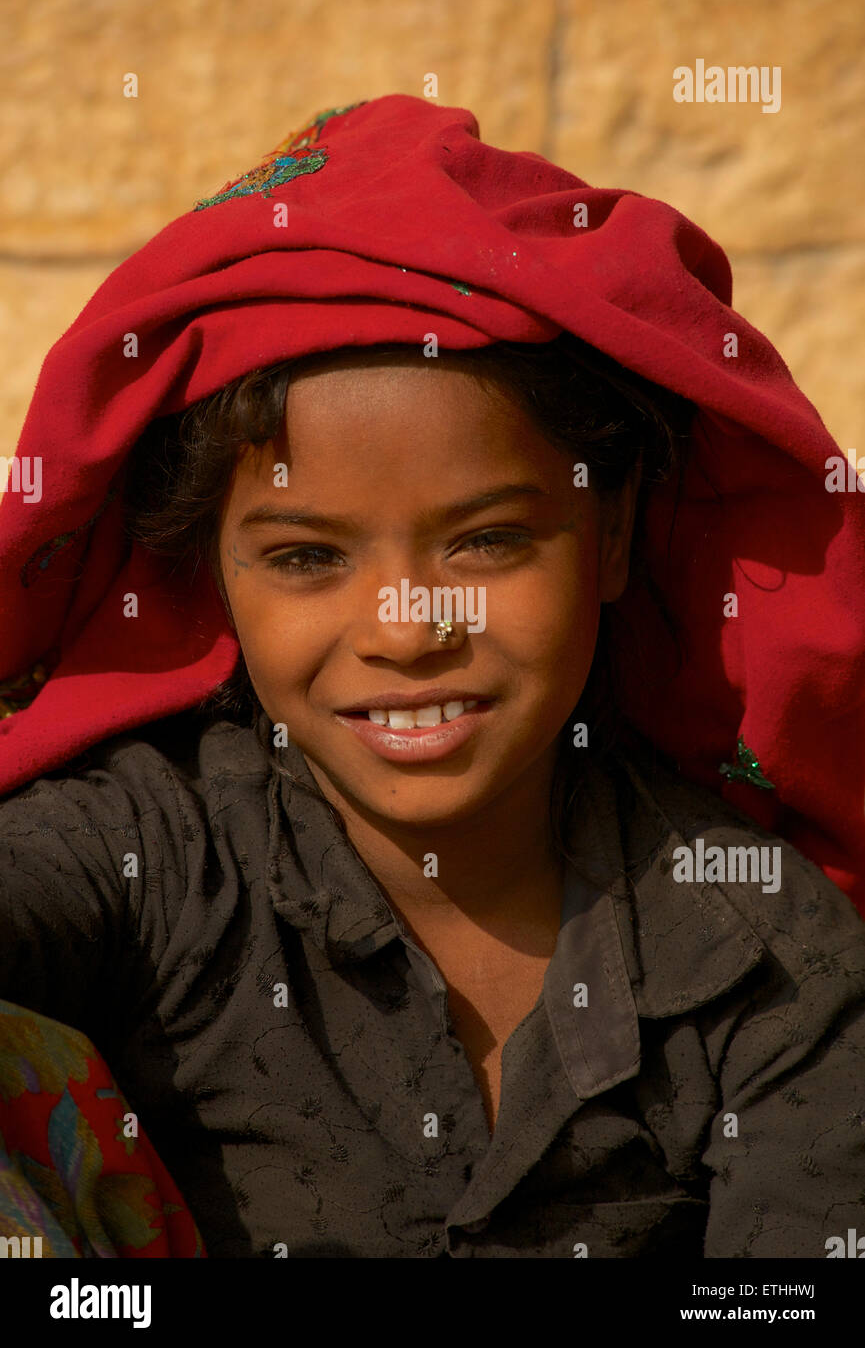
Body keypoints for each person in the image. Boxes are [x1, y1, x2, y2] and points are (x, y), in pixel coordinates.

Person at [0, 95, 864, 1260]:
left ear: (607, 541)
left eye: (488, 541)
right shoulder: (156, 855)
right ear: (215, 574)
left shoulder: (761, 949)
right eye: (307, 557)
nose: (405, 631)